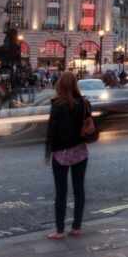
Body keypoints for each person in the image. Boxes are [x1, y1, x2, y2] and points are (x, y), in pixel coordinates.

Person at [45, 72, 89, 239]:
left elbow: (52, 131)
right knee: (79, 190)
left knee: (61, 192)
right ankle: (77, 226)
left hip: (61, 153)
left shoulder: (57, 105)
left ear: (60, 86)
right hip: (80, 151)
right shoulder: (83, 103)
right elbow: (89, 126)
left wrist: (51, 150)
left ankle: (60, 230)